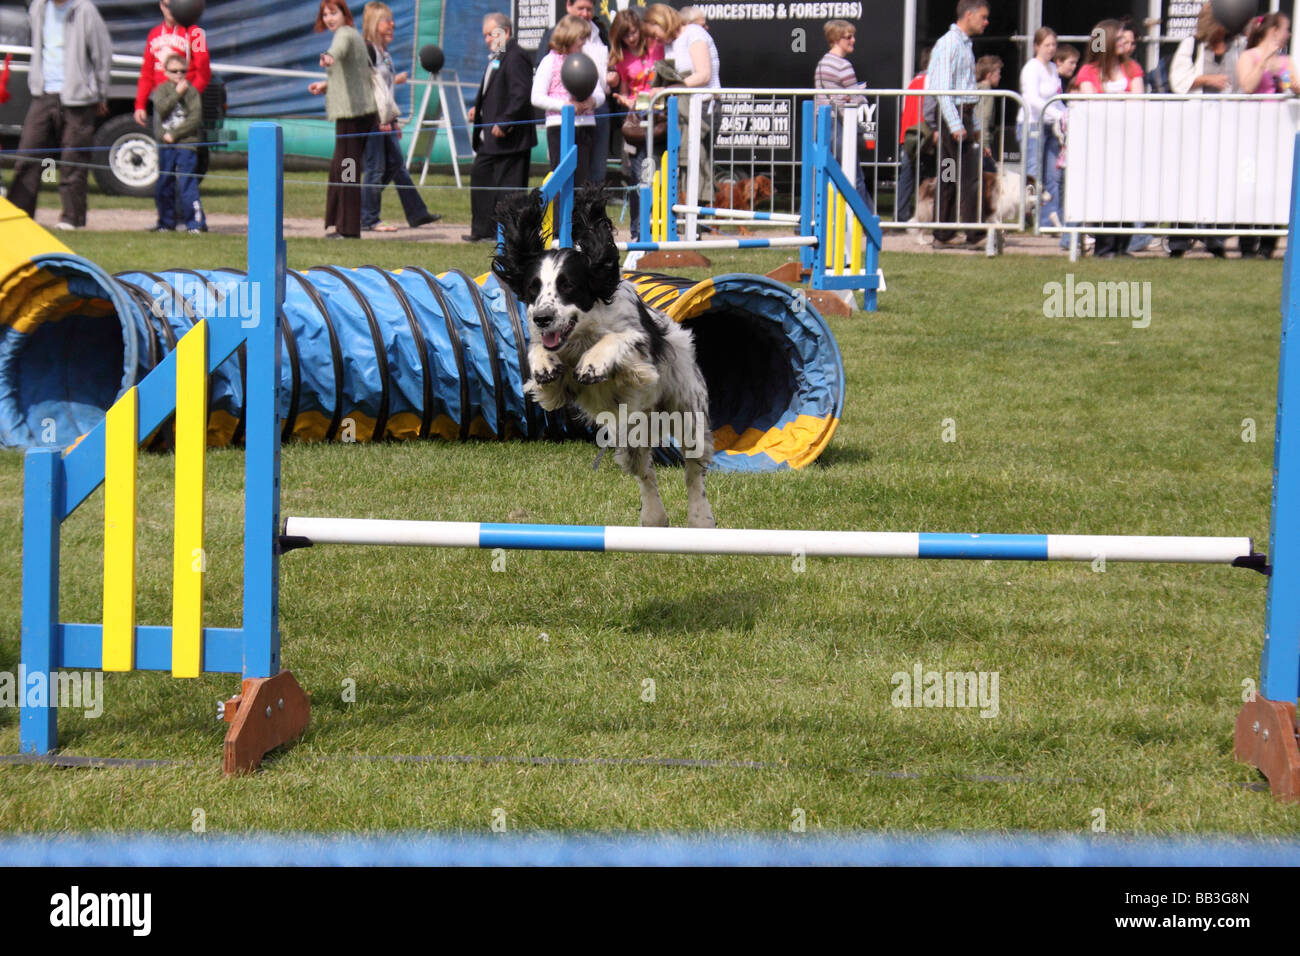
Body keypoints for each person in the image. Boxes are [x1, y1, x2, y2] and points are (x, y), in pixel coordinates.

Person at [8, 0, 112, 230]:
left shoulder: (84, 9)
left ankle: (71, 219)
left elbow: (102, 53)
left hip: (78, 97)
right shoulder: (39, 7)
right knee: (28, 153)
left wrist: (100, 93)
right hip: (44, 93)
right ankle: (18, 216)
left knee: (73, 159)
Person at [358, 2, 439, 233]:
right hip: (374, 122)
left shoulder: (385, 54)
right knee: (376, 167)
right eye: (386, 21)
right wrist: (378, 120)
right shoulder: (367, 50)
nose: (392, 25)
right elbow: (364, 87)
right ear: (374, 24)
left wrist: (392, 121)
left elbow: (385, 91)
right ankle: (368, 217)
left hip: (386, 120)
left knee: (395, 166)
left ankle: (414, 213)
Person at [1168, 2, 1240, 258]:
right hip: (1194, 124)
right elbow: (1177, 81)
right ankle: (1179, 238)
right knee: (1188, 181)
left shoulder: (1236, 46)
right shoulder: (1193, 44)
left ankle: (1214, 236)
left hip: (1224, 125)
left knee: (1217, 181)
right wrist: (1207, 80)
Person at [307, 0, 378, 239]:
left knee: (348, 169)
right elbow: (351, 75)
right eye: (325, 14)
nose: (328, 18)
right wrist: (325, 85)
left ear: (344, 14)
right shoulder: (350, 34)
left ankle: (348, 229)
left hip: (353, 116)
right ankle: (340, 224)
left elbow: (338, 50)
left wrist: (328, 56)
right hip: (353, 113)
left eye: (333, 12)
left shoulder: (344, 34)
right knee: (341, 167)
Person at [465, 13, 536, 243]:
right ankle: (483, 230)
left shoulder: (516, 56)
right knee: (481, 175)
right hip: (491, 138)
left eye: (491, 34)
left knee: (510, 189)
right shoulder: (498, 56)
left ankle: (511, 236)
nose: (487, 39)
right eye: (485, 35)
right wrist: (480, 109)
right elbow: (494, 91)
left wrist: (506, 122)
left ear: (505, 32)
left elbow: (521, 94)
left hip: (510, 138)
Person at [1075, 19, 1142, 257]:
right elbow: (1092, 106)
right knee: (1105, 194)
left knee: (1127, 194)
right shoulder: (1088, 71)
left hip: (1127, 141)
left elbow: (1137, 101)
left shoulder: (1132, 68)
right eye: (1120, 37)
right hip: (1101, 144)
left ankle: (1123, 246)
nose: (1125, 41)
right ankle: (1105, 247)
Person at [927, 0, 989, 245]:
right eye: (983, 17)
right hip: (953, 116)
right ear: (970, 15)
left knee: (950, 175)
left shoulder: (964, 45)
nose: (986, 22)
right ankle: (973, 234)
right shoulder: (949, 44)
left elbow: (967, 90)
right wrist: (955, 124)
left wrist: (974, 127)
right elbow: (942, 89)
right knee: (964, 176)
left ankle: (944, 233)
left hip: (962, 115)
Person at [1237, 13, 1296, 258]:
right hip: (1253, 131)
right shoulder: (1247, 57)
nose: (1289, 35)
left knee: (1275, 184)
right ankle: (1247, 242)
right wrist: (1263, 63)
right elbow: (1247, 86)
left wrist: (1288, 80)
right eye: (1286, 29)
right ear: (1273, 31)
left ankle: (1269, 241)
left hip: (1279, 132)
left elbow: (1296, 86)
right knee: (1250, 183)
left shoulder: (1287, 61)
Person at [539, 0, 610, 185]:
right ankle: (561, 214)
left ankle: (581, 215)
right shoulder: (550, 61)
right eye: (580, 40)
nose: (583, 44)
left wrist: (592, 102)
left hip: (586, 125)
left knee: (582, 179)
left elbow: (599, 93)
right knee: (563, 178)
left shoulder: (585, 60)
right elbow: (536, 97)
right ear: (569, 37)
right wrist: (565, 106)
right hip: (559, 125)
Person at [608, 7, 663, 239]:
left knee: (660, 172)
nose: (631, 38)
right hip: (637, 120)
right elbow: (624, 93)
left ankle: (659, 226)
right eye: (626, 35)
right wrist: (624, 100)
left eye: (633, 33)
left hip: (660, 116)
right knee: (639, 174)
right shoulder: (621, 58)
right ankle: (638, 230)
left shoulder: (655, 46)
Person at [814, 19, 871, 209]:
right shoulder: (843, 66)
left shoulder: (822, 64)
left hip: (820, 124)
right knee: (855, 176)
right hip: (837, 127)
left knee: (822, 174)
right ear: (837, 38)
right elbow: (857, 99)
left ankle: (809, 220)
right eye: (849, 37)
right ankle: (869, 220)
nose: (853, 40)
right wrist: (860, 94)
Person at [133, 0, 209, 129]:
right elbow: (146, 73)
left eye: (175, 6)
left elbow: (204, 71)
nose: (171, 10)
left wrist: (192, 94)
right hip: (163, 101)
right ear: (161, 6)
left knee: (185, 144)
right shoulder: (153, 34)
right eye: (168, 6)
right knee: (163, 143)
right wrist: (140, 104)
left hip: (186, 100)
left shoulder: (196, 33)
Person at [149, 53, 204, 234]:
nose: (179, 75)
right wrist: (176, 94)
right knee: (164, 183)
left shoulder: (192, 92)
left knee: (187, 183)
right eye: (174, 71)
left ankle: (195, 224)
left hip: (186, 143)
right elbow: (161, 108)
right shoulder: (161, 90)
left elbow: (195, 119)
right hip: (166, 145)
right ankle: (165, 222)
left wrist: (175, 134)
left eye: (183, 71)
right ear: (165, 72)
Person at [896, 48, 930, 222]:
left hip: (907, 135)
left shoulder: (913, 82)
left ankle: (901, 214)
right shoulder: (930, 81)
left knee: (907, 177)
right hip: (923, 135)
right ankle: (929, 213)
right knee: (931, 177)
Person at [974, 54, 1001, 172]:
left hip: (974, 141)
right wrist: (985, 144)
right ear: (989, 75)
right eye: (998, 74)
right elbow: (983, 118)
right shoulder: (987, 92)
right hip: (982, 142)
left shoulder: (975, 89)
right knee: (991, 175)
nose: (1000, 76)